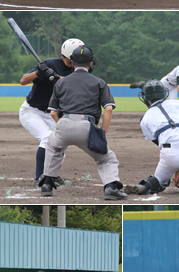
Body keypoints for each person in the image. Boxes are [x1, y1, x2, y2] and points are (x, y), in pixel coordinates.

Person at [38, 45, 127, 200]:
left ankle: (46, 183)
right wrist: (102, 132)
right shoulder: (99, 82)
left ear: (72, 62)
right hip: (86, 126)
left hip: (64, 123)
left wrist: (61, 127)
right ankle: (111, 187)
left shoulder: (61, 82)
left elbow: (53, 112)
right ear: (90, 63)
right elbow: (108, 109)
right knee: (106, 158)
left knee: (53, 147)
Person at [19, 38, 83, 185]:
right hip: (32, 111)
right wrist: (39, 72)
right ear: (67, 56)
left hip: (52, 114)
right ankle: (39, 178)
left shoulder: (77, 70)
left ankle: (51, 175)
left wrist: (54, 76)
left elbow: (73, 85)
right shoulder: (50, 64)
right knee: (48, 138)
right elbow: (23, 81)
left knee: (61, 142)